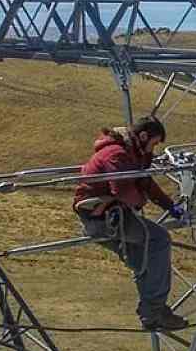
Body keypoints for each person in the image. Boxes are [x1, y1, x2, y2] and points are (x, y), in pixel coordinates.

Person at [73, 117, 188, 331]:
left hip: (104, 218)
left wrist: (169, 206)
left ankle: (151, 313)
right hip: (104, 219)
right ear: (143, 136)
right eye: (153, 143)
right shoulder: (116, 154)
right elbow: (123, 190)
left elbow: (145, 182)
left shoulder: (132, 154)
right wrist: (141, 201)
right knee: (159, 241)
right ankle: (154, 310)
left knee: (141, 260)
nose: (153, 149)